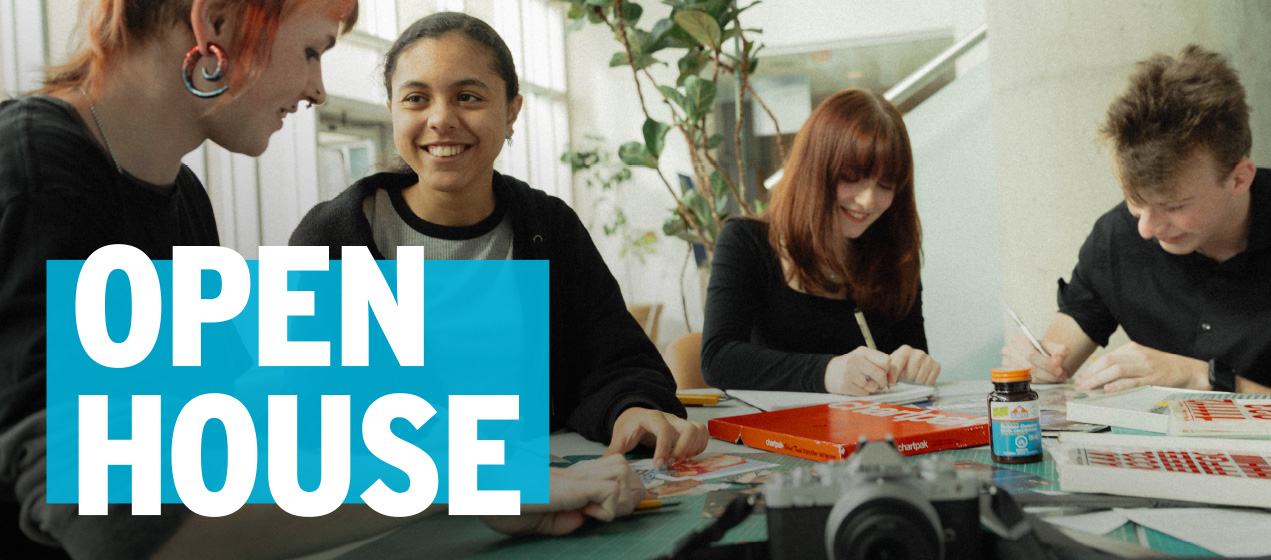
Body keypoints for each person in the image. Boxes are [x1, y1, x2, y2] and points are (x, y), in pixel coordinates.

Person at [0, 2, 647, 558]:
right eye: (311, 50)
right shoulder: (36, 169)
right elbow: (114, 523)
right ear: (214, 21)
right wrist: (464, 481)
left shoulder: (181, 198)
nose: (317, 90)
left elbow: (221, 461)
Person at [289, 13, 708, 470]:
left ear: (511, 111)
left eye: (468, 97)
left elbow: (615, 359)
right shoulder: (331, 238)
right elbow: (303, 414)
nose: (441, 119)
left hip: (547, 496)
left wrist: (630, 409)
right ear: (392, 110)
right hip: (390, 511)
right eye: (415, 99)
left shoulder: (549, 226)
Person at [1000, 45, 1271, 395]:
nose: (1147, 228)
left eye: (1174, 206)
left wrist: (1196, 376)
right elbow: (1055, 357)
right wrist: (1037, 363)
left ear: (1239, 179)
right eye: (1136, 202)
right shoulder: (1117, 237)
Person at [701, 88, 941, 396]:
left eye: (885, 185)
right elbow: (718, 359)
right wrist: (827, 373)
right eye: (851, 178)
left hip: (871, 438)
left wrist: (915, 365)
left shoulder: (894, 254)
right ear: (815, 171)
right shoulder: (747, 242)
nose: (867, 201)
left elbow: (909, 357)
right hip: (775, 438)